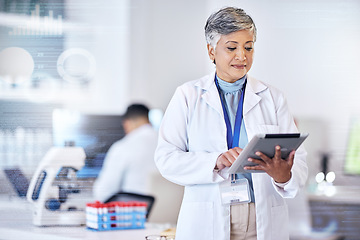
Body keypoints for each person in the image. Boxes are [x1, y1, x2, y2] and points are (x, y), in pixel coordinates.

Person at [154, 7, 308, 240]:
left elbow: (300, 162)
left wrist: (283, 175)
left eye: (248, 47)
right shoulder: (187, 95)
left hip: (263, 219)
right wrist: (214, 160)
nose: (242, 56)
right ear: (211, 51)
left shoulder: (273, 97)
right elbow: (166, 159)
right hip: (209, 219)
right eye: (231, 48)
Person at [93, 104, 158, 202]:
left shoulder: (123, 146)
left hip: (134, 213)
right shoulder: (166, 143)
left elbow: (103, 192)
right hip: (171, 213)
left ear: (126, 123)